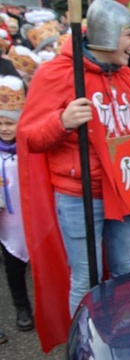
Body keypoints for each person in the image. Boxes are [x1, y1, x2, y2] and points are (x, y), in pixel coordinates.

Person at [18, 0, 130, 351]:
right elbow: (29, 136)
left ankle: (119, 341)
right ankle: (84, 348)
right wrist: (61, 122)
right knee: (85, 278)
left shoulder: (127, 77)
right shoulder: (59, 73)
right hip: (79, 193)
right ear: (107, 35)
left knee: (124, 272)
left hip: (126, 189)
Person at [0, 75, 33, 345]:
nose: (4, 128)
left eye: (9, 122)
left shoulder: (29, 149)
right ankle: (22, 306)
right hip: (6, 221)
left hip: (30, 216)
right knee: (13, 266)